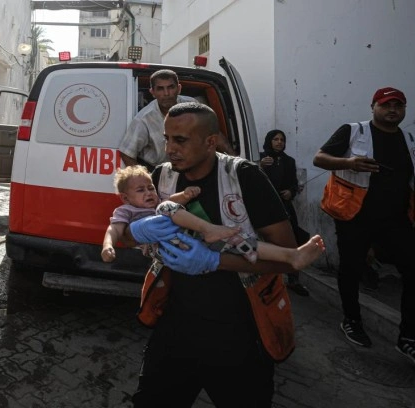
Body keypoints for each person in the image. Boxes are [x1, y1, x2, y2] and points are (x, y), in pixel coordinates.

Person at [125, 102, 302, 407]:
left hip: (239, 331)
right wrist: (137, 232)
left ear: (210, 141)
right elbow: (124, 234)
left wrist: (215, 261)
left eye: (180, 140)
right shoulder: (161, 176)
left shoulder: (243, 177)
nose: (170, 149)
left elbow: (288, 258)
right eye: (167, 139)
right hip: (176, 326)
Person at [313, 87, 415, 371]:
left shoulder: (412, 142)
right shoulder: (353, 131)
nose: (392, 109)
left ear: (404, 109)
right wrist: (348, 163)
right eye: (386, 104)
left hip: (397, 221)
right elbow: (319, 158)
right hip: (354, 217)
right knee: (351, 269)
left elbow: (412, 184)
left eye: (398, 105)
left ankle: (410, 338)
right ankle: (352, 320)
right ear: (373, 107)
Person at [101, 165, 325, 270]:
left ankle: (291, 255)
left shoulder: (158, 203)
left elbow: (171, 202)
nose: (149, 193)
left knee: (240, 241)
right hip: (167, 251)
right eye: (140, 190)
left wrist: (185, 195)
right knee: (166, 207)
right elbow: (114, 230)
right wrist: (108, 246)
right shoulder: (126, 212)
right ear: (125, 198)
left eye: (150, 187)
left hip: (194, 241)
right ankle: (209, 229)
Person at [259, 129, 312, 296]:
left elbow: (293, 183)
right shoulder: (260, 158)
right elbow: (251, 180)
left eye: (282, 139)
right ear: (269, 141)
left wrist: (291, 191)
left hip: (284, 206)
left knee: (292, 239)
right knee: (265, 241)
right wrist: (260, 166)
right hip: (264, 206)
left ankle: (293, 279)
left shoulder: (289, 161)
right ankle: (266, 279)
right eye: (275, 139)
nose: (279, 142)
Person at [119, 69, 196, 170]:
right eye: (160, 89)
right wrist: (145, 177)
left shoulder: (193, 106)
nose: (166, 93)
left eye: (171, 87)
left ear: (179, 89)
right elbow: (127, 153)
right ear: (152, 92)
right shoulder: (144, 119)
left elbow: (210, 133)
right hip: (158, 170)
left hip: (191, 167)